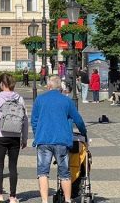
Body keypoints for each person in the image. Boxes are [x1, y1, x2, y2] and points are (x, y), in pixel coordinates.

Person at [31, 75, 87, 203]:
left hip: (43, 140)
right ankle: (67, 200)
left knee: (43, 172)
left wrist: (37, 134)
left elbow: (34, 121)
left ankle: (44, 201)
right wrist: (84, 132)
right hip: (62, 140)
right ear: (59, 87)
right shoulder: (67, 101)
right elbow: (78, 120)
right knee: (65, 173)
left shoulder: (40, 99)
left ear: (49, 86)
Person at [0, 73, 28, 203]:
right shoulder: (19, 98)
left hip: (0, 135)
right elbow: (25, 119)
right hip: (15, 136)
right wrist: (24, 138)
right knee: (13, 167)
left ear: (1, 84)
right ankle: (13, 197)